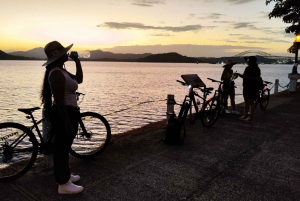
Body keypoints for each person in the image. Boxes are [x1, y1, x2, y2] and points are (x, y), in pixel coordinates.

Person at [40, 41, 84, 194]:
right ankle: (63, 184)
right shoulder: (56, 73)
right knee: (61, 148)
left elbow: (79, 79)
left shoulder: (61, 70)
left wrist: (77, 62)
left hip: (70, 112)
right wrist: (66, 122)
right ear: (57, 55)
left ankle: (65, 176)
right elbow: (59, 101)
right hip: (64, 114)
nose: (67, 53)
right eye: (64, 51)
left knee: (64, 147)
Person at [234, 56, 261, 122]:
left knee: (251, 102)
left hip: (253, 87)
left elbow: (257, 78)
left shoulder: (256, 69)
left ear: (251, 61)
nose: (247, 61)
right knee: (246, 101)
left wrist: (248, 77)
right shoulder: (247, 68)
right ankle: (245, 114)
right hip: (246, 86)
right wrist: (239, 75)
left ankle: (251, 116)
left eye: (248, 60)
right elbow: (244, 76)